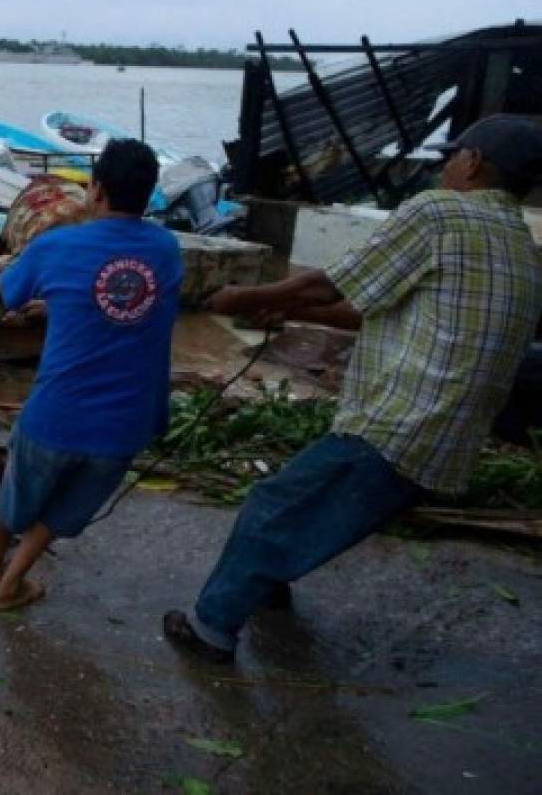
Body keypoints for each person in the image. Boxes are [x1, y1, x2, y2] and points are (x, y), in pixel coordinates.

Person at [163, 114, 542, 663]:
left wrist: (240, 298)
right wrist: (287, 306)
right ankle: (266, 584)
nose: (444, 168)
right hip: (448, 437)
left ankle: (211, 630)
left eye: (451, 157)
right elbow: (377, 309)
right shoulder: (519, 244)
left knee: (273, 503)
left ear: (474, 163)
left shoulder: (440, 211)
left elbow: (331, 281)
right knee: (308, 504)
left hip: (403, 419)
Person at [0, 139, 182, 611]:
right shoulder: (166, 247)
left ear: (95, 191)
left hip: (56, 416)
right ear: (150, 194)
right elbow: (116, 301)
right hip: (126, 423)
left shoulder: (57, 245)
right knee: (62, 511)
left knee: (18, 489)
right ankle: (10, 580)